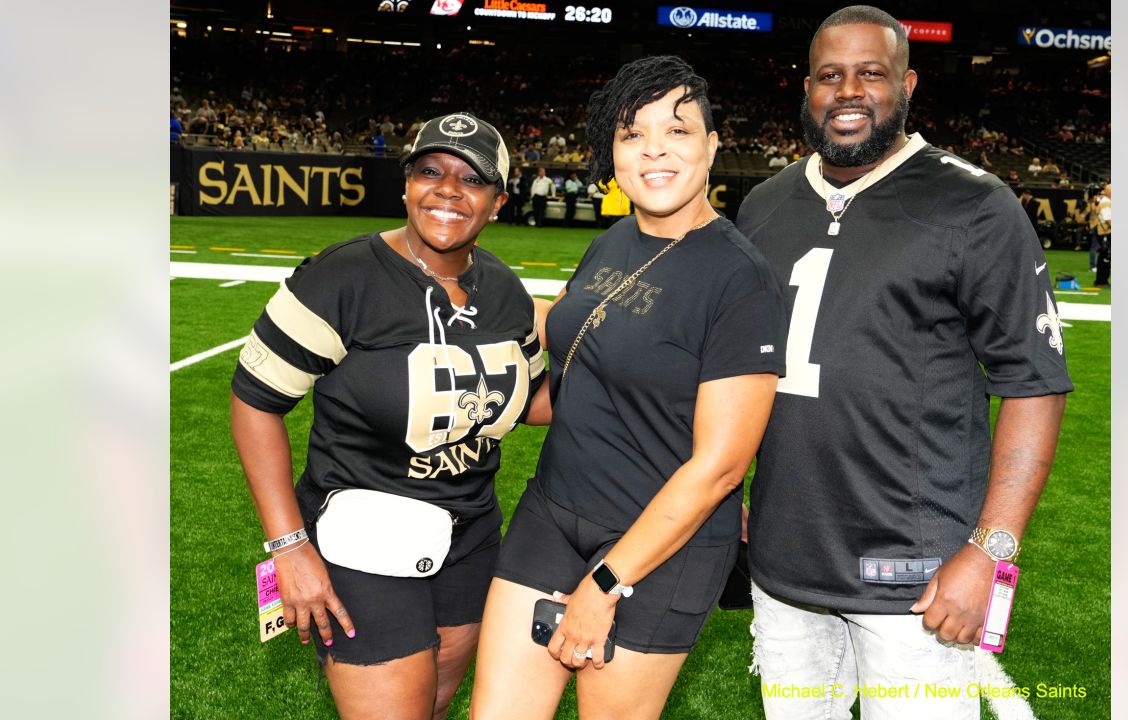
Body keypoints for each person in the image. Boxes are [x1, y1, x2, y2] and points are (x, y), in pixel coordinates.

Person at [735, 7, 1074, 719]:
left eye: (871, 73)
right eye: (831, 75)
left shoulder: (975, 204)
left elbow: (1034, 385)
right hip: (783, 562)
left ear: (908, 84)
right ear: (806, 88)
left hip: (916, 574)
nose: (849, 91)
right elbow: (740, 372)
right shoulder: (764, 205)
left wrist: (990, 552)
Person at [470, 55, 788, 720]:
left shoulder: (739, 277)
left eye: (676, 131)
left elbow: (721, 466)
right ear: (611, 150)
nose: (654, 151)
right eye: (632, 133)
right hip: (553, 512)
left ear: (711, 146)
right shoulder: (613, 241)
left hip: (658, 547)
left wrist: (606, 584)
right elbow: (574, 377)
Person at [230, 112, 550, 720]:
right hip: (362, 535)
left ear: (499, 200)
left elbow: (530, 400)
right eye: (430, 171)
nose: (449, 189)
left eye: (472, 178)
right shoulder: (341, 277)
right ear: (406, 184)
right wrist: (290, 545)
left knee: (433, 702)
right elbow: (254, 401)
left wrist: (633, 380)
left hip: (472, 535)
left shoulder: (508, 292)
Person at [1094, 182, 1112, 286]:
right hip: (1105, 233)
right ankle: (1101, 281)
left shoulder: (1106, 201)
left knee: (1105, 257)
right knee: (1105, 257)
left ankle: (1102, 280)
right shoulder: (1106, 203)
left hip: (1104, 232)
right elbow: (1109, 219)